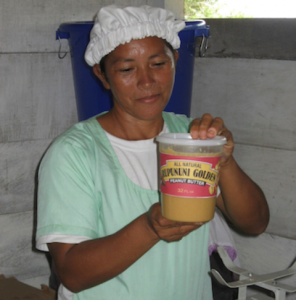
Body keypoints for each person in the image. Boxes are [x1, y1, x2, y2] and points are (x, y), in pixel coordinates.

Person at [36, 5, 269, 300]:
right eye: (126, 69)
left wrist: (226, 161)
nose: (147, 81)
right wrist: (149, 228)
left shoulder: (190, 139)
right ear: (103, 75)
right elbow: (72, 272)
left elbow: (255, 222)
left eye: (158, 64)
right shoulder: (74, 153)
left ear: (176, 62)